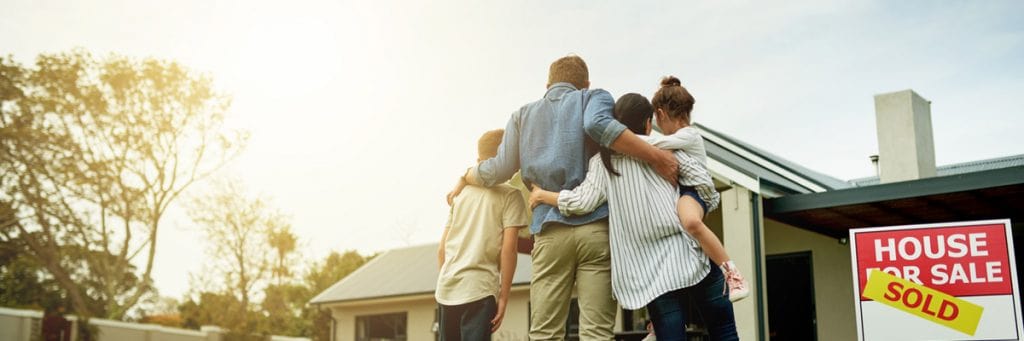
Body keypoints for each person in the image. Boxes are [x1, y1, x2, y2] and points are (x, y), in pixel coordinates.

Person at [447, 55, 679, 340]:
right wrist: (658, 157)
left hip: (549, 231)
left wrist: (468, 174)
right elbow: (597, 126)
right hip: (596, 229)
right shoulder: (594, 97)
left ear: (547, 84)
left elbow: (499, 169)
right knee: (596, 332)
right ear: (586, 83)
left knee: (545, 333)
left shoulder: (522, 115)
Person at [529, 92, 739, 340]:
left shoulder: (602, 163)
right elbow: (704, 184)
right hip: (690, 254)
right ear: (649, 123)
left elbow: (581, 202)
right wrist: (697, 206)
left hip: (652, 275)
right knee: (724, 332)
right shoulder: (664, 150)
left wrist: (543, 195)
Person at [649, 76, 748, 302]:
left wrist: (622, 138)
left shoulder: (689, 135)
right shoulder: (681, 137)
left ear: (661, 114)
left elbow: (654, 145)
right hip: (682, 193)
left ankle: (733, 274)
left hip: (695, 192)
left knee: (691, 222)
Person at [436, 129, 529, 341]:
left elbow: (442, 250)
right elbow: (509, 249)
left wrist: (446, 283)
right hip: (479, 289)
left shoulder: (460, 195)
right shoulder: (511, 195)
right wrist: (503, 297)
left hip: (447, 288)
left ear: (479, 160)